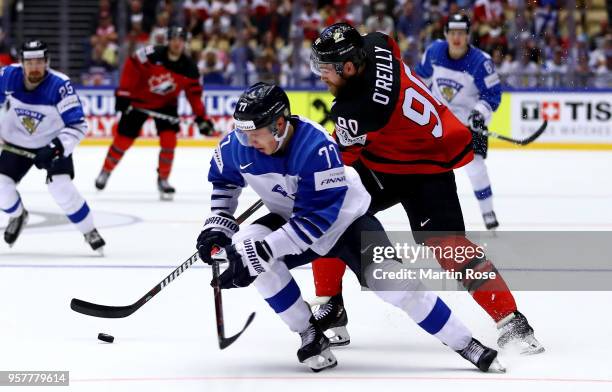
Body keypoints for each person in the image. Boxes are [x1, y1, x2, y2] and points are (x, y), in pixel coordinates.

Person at [195, 82, 505, 373]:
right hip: (290, 218)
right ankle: (309, 333)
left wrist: (264, 251)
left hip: (346, 222)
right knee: (247, 248)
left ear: (279, 125)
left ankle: (467, 344)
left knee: (394, 283)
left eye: (254, 133)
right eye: (241, 132)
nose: (247, 141)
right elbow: (225, 181)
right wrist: (218, 226)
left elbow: (317, 220)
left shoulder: (316, 147)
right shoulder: (238, 146)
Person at [309, 23, 543, 354]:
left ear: (349, 66)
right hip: (417, 156)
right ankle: (331, 307)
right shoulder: (376, 43)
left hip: (418, 168)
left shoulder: (357, 111)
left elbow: (342, 159)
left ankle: (510, 321)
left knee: (445, 247)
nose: (321, 76)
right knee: (333, 210)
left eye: (325, 69)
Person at [0, 40, 105, 252]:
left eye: (40, 61)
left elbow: (77, 125)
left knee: (60, 187)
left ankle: (88, 230)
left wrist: (56, 147)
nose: (35, 67)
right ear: (21, 63)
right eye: (30, 62)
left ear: (47, 62)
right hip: (17, 142)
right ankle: (18, 215)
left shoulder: (59, 85)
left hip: (52, 143)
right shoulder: (7, 76)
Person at [94, 26, 215, 200]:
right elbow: (131, 63)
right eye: (173, 39)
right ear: (167, 40)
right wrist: (124, 92)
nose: (176, 43)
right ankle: (105, 171)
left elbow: (194, 96)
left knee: (169, 142)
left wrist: (201, 117)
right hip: (138, 101)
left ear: (185, 43)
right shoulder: (152, 54)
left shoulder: (190, 68)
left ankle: (163, 180)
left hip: (166, 105)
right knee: (122, 141)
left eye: (180, 40)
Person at [415, 13, 501, 230]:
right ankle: (429, 216)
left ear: (468, 35)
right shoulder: (434, 52)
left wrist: (479, 113)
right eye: (452, 32)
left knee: (476, 168)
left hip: (469, 126)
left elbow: (492, 97)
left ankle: (487, 210)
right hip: (438, 123)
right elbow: (419, 81)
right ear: (445, 34)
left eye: (461, 33)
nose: (456, 37)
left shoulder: (481, 62)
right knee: (428, 169)